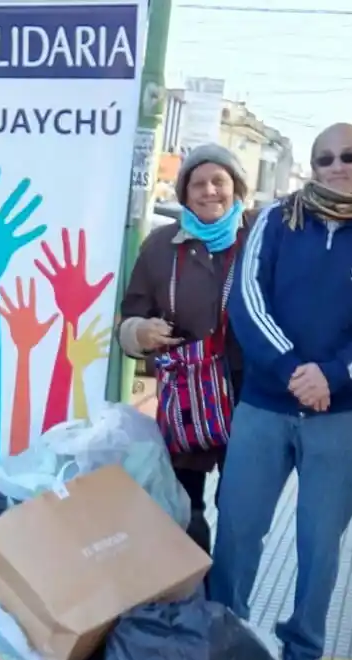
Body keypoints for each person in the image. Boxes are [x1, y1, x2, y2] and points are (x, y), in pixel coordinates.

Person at [208, 123, 352, 660]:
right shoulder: (276, 221)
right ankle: (225, 643)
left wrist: (333, 376)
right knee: (238, 534)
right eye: (324, 159)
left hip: (338, 417)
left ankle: (301, 658)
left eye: (348, 156)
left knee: (320, 545)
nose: (336, 167)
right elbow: (247, 303)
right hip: (265, 408)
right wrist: (298, 371)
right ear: (313, 166)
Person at [118, 144, 251, 554]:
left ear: (236, 188)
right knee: (182, 510)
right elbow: (128, 321)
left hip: (248, 399)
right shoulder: (160, 247)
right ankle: (192, 600)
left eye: (219, 181)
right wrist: (141, 332)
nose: (209, 191)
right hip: (187, 399)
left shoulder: (259, 240)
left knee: (241, 510)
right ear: (184, 191)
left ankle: (228, 603)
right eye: (198, 183)